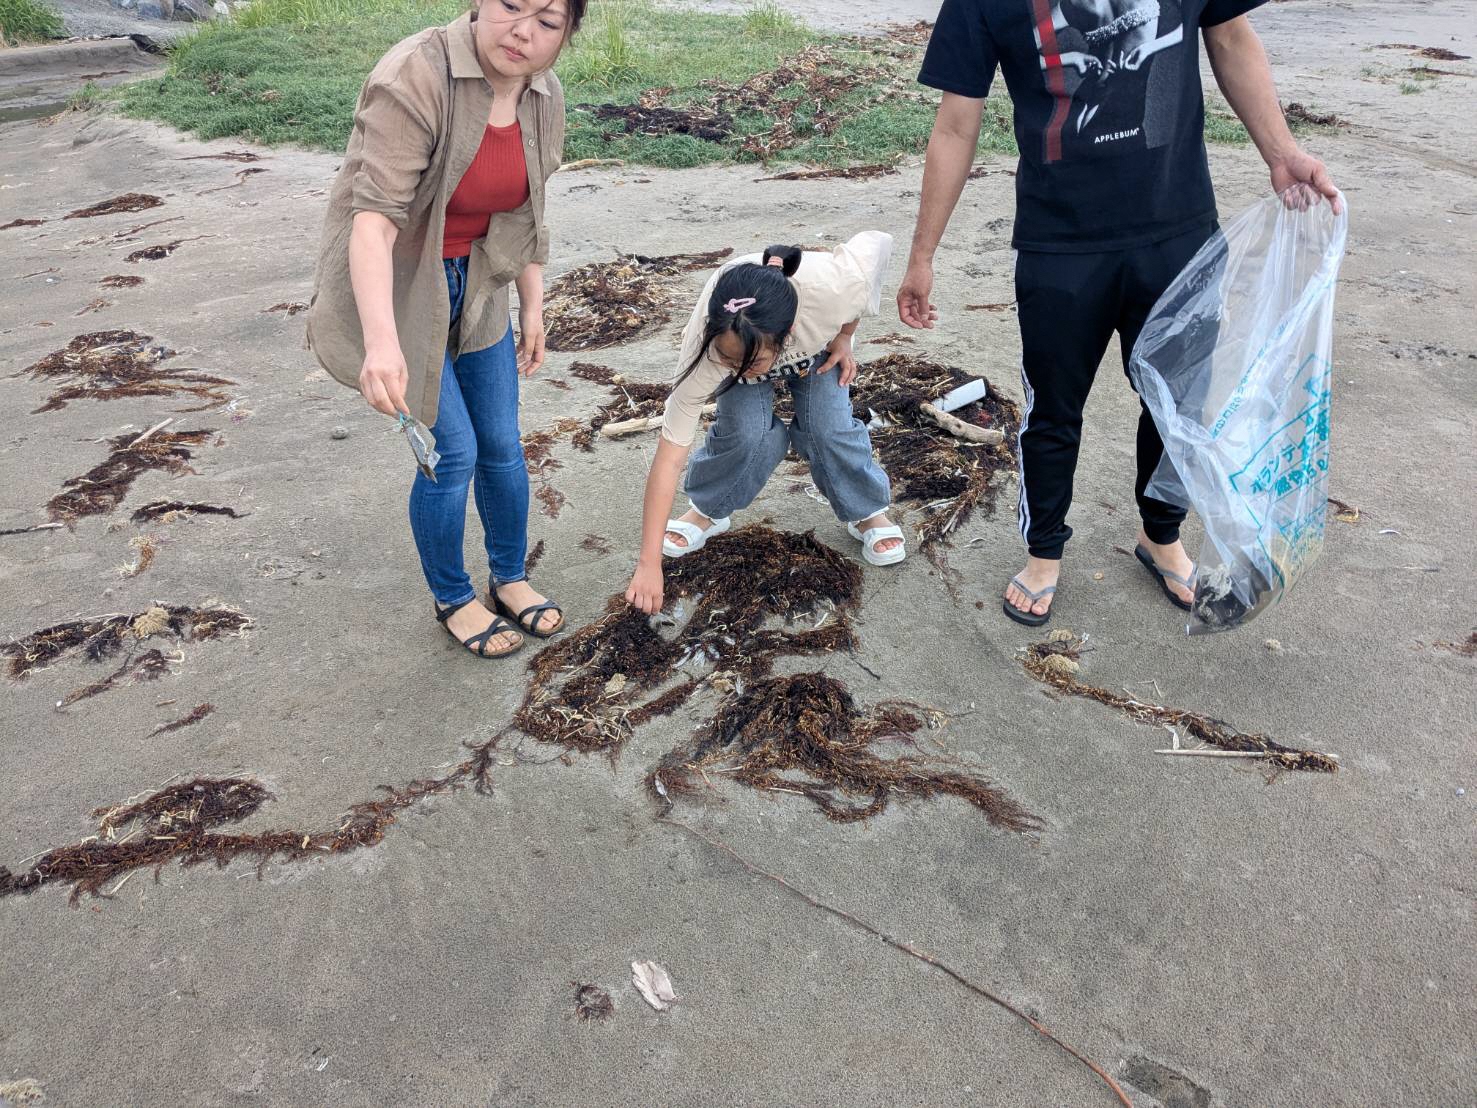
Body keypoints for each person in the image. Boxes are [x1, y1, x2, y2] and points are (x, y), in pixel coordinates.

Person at [898, 0, 1340, 626]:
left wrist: (1280, 151)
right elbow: (954, 124)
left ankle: (1161, 536)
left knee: (1178, 403)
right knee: (1053, 410)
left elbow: (1230, 37)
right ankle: (1043, 553)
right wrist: (922, 254)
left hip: (1177, 229)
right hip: (1059, 244)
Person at [307, 0, 583, 658]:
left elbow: (529, 213)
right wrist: (382, 343)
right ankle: (453, 598)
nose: (522, 30)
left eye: (548, 21)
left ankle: (509, 578)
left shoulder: (544, 95)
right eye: (511, 5)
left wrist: (533, 306)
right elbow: (373, 223)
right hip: (403, 289)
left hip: (480, 284)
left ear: (566, 35)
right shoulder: (416, 74)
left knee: (502, 446)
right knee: (451, 454)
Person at [625, 233, 904, 616]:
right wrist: (648, 563)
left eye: (750, 364)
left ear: (786, 338)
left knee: (828, 428)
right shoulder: (709, 352)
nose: (739, 370)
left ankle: (866, 509)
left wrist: (844, 335)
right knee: (746, 433)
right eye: (730, 361)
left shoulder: (834, 288)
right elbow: (669, 458)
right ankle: (709, 508)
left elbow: (875, 248)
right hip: (743, 338)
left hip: (813, 339)